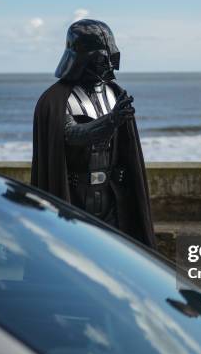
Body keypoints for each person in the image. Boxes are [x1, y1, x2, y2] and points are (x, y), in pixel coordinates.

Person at [31, 19, 156, 248]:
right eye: (101, 58)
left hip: (114, 198)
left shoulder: (115, 93)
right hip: (75, 198)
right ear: (82, 59)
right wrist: (112, 120)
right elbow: (72, 135)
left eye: (111, 56)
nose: (109, 64)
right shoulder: (55, 101)